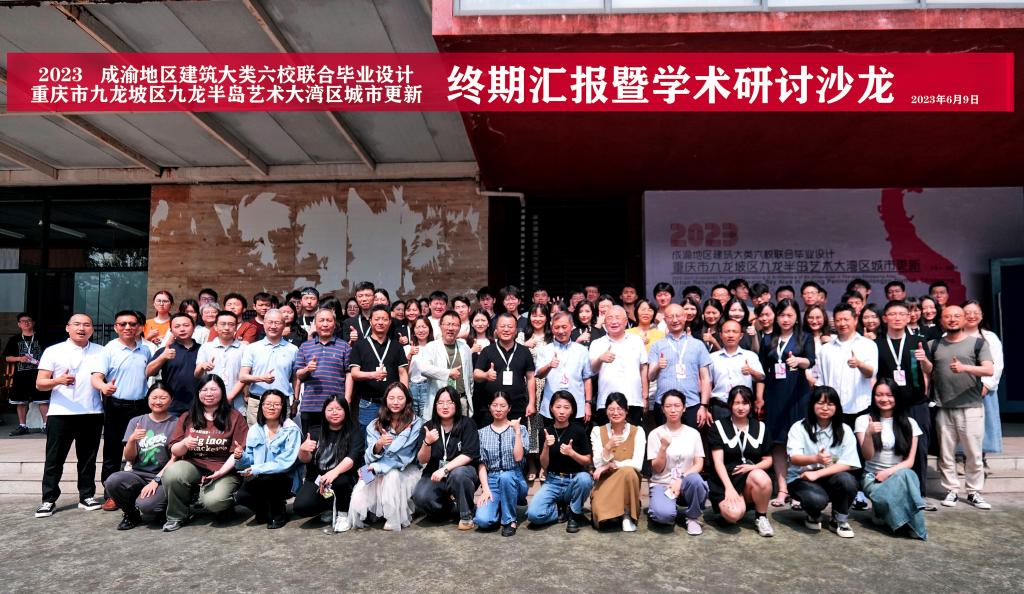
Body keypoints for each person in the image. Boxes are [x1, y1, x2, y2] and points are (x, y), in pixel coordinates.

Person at [33, 313, 105, 517]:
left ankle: (87, 496)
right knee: (54, 459)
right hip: (61, 413)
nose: (81, 328)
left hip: (92, 412)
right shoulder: (53, 351)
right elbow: (40, 383)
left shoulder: (101, 351)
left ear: (92, 329)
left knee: (88, 459)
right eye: (77, 324)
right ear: (68, 328)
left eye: (86, 325)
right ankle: (48, 499)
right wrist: (58, 380)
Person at [163, 374, 249, 531]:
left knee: (213, 502)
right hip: (194, 466)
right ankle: (177, 516)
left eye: (213, 389)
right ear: (198, 393)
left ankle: (226, 506)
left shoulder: (235, 417)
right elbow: (174, 449)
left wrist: (220, 472)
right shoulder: (188, 416)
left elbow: (236, 453)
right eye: (204, 390)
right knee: (172, 472)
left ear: (222, 391)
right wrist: (184, 443)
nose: (208, 394)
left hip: (224, 469)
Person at [929, 305, 994, 509]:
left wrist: (964, 367)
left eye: (957, 316)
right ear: (942, 320)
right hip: (944, 407)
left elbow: (989, 370)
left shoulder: (978, 343)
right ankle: (951, 490)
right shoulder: (934, 345)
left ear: (964, 319)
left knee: (973, 453)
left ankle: (974, 492)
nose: (952, 319)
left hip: (971, 406)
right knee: (946, 453)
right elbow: (929, 372)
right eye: (948, 316)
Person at [90, 309, 153, 511]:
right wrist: (103, 387)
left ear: (139, 327)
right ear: (116, 327)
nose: (128, 327)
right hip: (117, 406)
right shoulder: (108, 349)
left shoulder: (145, 350)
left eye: (132, 324)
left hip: (141, 406)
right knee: (113, 451)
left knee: (142, 449)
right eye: (123, 324)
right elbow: (96, 377)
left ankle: (140, 490)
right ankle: (111, 494)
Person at [876, 300, 934, 507]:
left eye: (902, 314)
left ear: (909, 317)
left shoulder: (918, 341)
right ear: (885, 318)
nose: (897, 318)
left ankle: (919, 494)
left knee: (919, 448)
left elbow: (929, 370)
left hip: (916, 403)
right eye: (892, 314)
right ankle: (892, 492)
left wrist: (924, 360)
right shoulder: (877, 343)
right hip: (889, 405)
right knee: (892, 448)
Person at [854, 380, 927, 539]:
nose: (884, 399)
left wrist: (888, 472)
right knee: (906, 477)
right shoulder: (863, 420)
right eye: (879, 395)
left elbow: (909, 462)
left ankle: (884, 513)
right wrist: (868, 434)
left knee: (906, 474)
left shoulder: (910, 423)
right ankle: (913, 525)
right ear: (873, 397)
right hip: (873, 477)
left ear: (897, 397)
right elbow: (867, 456)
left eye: (889, 395)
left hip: (899, 476)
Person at [760, 298, 814, 508]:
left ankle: (799, 490)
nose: (785, 319)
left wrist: (799, 361)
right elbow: (763, 370)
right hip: (774, 396)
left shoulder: (805, 337)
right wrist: (759, 398)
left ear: (797, 317)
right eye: (782, 315)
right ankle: (782, 490)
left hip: (797, 395)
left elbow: (811, 360)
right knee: (778, 443)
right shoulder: (768, 339)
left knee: (799, 443)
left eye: (790, 315)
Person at [786, 386, 861, 538]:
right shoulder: (799, 427)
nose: (825, 408)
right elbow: (794, 458)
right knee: (816, 500)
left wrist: (818, 473)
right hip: (802, 478)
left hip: (829, 476)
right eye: (820, 403)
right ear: (812, 405)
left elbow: (849, 463)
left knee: (847, 480)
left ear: (837, 407)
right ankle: (813, 514)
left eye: (830, 404)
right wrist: (815, 459)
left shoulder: (845, 430)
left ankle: (839, 520)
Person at [350, 382, 424, 532]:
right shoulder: (374, 424)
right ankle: (370, 513)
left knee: (392, 475)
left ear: (407, 400)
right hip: (377, 466)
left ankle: (392, 517)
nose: (396, 402)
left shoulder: (415, 423)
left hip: (404, 469)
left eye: (400, 398)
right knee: (361, 486)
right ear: (385, 400)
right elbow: (368, 458)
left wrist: (377, 467)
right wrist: (378, 445)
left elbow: (404, 456)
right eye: (391, 398)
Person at [103, 382, 178, 529]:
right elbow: (129, 458)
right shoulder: (136, 421)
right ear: (147, 399)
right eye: (154, 397)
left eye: (163, 398)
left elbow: (176, 458)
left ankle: (163, 507)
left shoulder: (177, 423)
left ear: (171, 400)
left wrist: (156, 480)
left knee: (148, 506)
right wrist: (132, 440)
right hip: (139, 474)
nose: (158, 401)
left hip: (164, 477)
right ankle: (131, 514)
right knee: (112, 481)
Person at [708, 386, 775, 537]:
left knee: (761, 476)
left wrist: (752, 467)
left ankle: (761, 517)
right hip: (725, 480)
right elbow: (718, 462)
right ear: (730, 404)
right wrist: (729, 488)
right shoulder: (718, 426)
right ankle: (734, 505)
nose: (740, 407)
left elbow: (768, 460)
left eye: (745, 403)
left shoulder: (760, 427)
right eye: (736, 403)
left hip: (749, 478)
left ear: (751, 404)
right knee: (733, 515)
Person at [412, 387, 480, 530]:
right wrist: (427, 443)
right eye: (440, 402)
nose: (445, 406)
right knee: (420, 497)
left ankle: (466, 515)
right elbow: (422, 460)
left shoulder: (467, 424)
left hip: (461, 473)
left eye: (449, 402)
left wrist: (445, 469)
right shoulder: (428, 427)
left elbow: (469, 454)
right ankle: (454, 509)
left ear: (456, 404)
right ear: (435, 405)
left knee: (458, 474)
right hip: (435, 474)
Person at [293, 395, 364, 533]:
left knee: (341, 481)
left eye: (339, 409)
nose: (334, 412)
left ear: (346, 411)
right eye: (330, 409)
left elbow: (351, 459)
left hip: (346, 477)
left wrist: (334, 472)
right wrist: (303, 450)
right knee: (301, 507)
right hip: (318, 478)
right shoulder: (314, 432)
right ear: (324, 412)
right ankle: (330, 507)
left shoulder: (354, 431)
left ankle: (343, 514)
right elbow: (305, 460)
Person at [233, 389, 302, 529]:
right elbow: (250, 461)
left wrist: (257, 469)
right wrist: (240, 457)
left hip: (285, 478)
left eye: (276, 404)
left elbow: (286, 462)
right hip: (260, 476)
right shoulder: (255, 429)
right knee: (242, 496)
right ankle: (266, 510)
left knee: (269, 480)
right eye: (268, 404)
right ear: (261, 406)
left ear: (283, 407)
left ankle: (278, 513)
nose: (271, 407)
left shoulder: (291, 429)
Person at [526, 391, 593, 533]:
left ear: (572, 410)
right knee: (533, 515)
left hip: (573, 480)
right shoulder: (545, 431)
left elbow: (587, 460)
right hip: (553, 481)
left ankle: (574, 514)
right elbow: (544, 465)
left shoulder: (578, 430)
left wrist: (572, 453)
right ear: (551, 408)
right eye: (558, 407)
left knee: (585, 479)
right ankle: (559, 510)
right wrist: (546, 446)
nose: (562, 411)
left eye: (566, 407)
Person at [646, 391, 708, 535]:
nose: (673, 410)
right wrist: (663, 448)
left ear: (684, 408)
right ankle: (666, 507)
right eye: (668, 406)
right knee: (663, 516)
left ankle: (692, 517)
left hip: (685, 483)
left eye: (677, 406)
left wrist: (681, 479)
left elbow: (699, 464)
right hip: (663, 483)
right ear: (663, 409)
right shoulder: (655, 434)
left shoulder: (693, 434)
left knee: (696, 480)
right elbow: (657, 469)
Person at [346, 304, 410, 431]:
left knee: (393, 436)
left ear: (390, 322)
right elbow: (354, 373)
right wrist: (372, 375)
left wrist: (404, 397)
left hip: (392, 404)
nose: (380, 322)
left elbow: (403, 373)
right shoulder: (360, 345)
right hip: (368, 402)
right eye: (377, 319)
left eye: (384, 319)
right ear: (370, 321)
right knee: (367, 438)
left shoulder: (396, 346)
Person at [648, 303, 712, 428]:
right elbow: (651, 376)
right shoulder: (657, 345)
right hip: (664, 405)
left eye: (678, 316)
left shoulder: (698, 345)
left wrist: (704, 406)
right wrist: (658, 366)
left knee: (692, 439)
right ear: (665, 320)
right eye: (670, 317)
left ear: (685, 317)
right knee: (665, 439)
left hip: (691, 404)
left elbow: (706, 378)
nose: (675, 320)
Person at [474, 392, 529, 536]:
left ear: (509, 408)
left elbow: (518, 457)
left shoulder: (520, 429)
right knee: (483, 521)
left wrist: (517, 432)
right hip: (492, 479)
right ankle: (499, 508)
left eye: (503, 406)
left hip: (514, 477)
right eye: (495, 405)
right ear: (489, 407)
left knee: (506, 477)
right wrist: (485, 489)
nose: (498, 409)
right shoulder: (482, 433)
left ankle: (510, 521)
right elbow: (482, 464)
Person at [590, 392, 645, 531]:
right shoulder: (597, 431)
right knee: (601, 519)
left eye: (619, 409)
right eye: (611, 409)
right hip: (605, 480)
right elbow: (597, 465)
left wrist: (610, 466)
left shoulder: (638, 431)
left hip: (629, 479)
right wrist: (608, 447)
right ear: (606, 411)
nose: (615, 413)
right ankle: (614, 509)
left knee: (629, 471)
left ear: (626, 411)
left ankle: (627, 513)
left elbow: (637, 465)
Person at [817, 303, 878, 428]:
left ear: (855, 320)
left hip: (861, 407)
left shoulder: (868, 345)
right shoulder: (825, 349)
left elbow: (871, 373)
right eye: (838, 320)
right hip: (832, 409)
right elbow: (821, 382)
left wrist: (859, 364)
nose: (842, 323)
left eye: (846, 319)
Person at [473, 313, 536, 428]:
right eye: (502, 326)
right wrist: (486, 375)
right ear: (496, 329)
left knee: (517, 437)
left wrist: (531, 403)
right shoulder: (487, 351)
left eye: (510, 327)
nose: (506, 330)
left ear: (516, 330)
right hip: (492, 407)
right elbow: (476, 374)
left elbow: (531, 378)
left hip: (517, 406)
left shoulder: (524, 351)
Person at [293, 308, 350, 434]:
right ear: (315, 324)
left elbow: (349, 375)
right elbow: (298, 375)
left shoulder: (344, 346)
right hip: (311, 405)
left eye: (329, 320)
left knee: (336, 442)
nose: (325, 324)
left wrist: (347, 400)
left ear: (334, 324)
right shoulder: (305, 346)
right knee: (310, 442)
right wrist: (307, 369)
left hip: (336, 406)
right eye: (321, 320)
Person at [590, 306, 648, 426]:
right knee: (608, 436)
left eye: (617, 317)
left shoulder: (637, 341)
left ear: (626, 321)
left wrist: (645, 396)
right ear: (604, 322)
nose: (614, 321)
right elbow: (592, 370)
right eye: (610, 318)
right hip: (606, 401)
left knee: (633, 435)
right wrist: (600, 359)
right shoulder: (597, 343)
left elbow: (643, 368)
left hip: (633, 400)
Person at [239, 309, 298, 425]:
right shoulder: (252, 348)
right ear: (264, 324)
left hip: (282, 403)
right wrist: (261, 378)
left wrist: (296, 401)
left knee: (281, 435)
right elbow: (242, 376)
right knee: (256, 436)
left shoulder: (293, 349)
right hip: (257, 403)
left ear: (284, 325)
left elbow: (296, 378)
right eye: (270, 322)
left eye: (277, 323)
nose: (273, 326)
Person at [962, 300, 1005, 460]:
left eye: (975, 313)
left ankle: (981, 457)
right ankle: (961, 457)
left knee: (983, 426)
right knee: (960, 424)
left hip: (983, 389)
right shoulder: (950, 335)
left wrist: (986, 385)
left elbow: (997, 364)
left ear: (981, 316)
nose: (971, 316)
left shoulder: (990, 337)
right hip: (959, 390)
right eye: (967, 313)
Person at [536, 312, 594, 425]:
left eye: (564, 327)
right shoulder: (544, 350)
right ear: (552, 328)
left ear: (571, 326)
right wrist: (549, 366)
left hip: (577, 406)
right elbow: (539, 374)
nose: (561, 331)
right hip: (551, 407)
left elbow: (587, 378)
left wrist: (588, 404)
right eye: (557, 327)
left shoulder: (582, 350)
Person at [417, 311, 475, 419]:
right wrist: (448, 373)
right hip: (439, 402)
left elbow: (470, 377)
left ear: (459, 327)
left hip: (461, 400)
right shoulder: (431, 347)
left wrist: (468, 396)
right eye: (448, 324)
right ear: (440, 325)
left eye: (455, 325)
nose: (451, 328)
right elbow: (424, 369)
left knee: (461, 429)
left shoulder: (465, 347)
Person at [708, 320, 764, 421]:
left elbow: (761, 378)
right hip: (720, 406)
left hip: (744, 406)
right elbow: (707, 384)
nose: (730, 335)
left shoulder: (750, 356)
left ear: (741, 335)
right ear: (720, 335)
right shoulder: (712, 358)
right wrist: (706, 407)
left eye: (734, 332)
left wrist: (751, 371)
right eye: (727, 331)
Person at [146, 313, 200, 414]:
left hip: (199, 406)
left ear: (194, 328)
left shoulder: (203, 350)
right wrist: (162, 357)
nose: (182, 329)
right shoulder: (165, 350)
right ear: (171, 331)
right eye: (177, 326)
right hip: (172, 406)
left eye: (186, 325)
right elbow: (148, 372)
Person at [194, 311, 247, 416]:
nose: (226, 328)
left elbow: (244, 377)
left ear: (236, 328)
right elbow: (197, 375)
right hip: (210, 402)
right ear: (215, 327)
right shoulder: (206, 347)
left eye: (231, 324)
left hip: (236, 402)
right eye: (223, 324)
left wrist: (229, 398)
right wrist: (202, 366)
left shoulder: (244, 349)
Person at [5, 312, 46, 436]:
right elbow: (7, 357)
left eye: (28, 320)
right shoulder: (14, 339)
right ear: (19, 324)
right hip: (21, 376)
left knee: (43, 400)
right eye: (23, 321)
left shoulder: (43, 338)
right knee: (20, 401)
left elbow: (51, 355)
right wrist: (19, 358)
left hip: (39, 374)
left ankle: (46, 426)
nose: (26, 323)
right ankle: (22, 426)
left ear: (33, 323)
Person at [404, 317, 434, 418]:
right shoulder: (407, 348)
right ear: (413, 330)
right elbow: (403, 372)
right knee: (411, 418)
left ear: (429, 329)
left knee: (426, 417)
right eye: (417, 327)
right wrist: (410, 355)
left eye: (424, 327)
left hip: (428, 386)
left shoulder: (435, 347)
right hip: (411, 387)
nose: (421, 330)